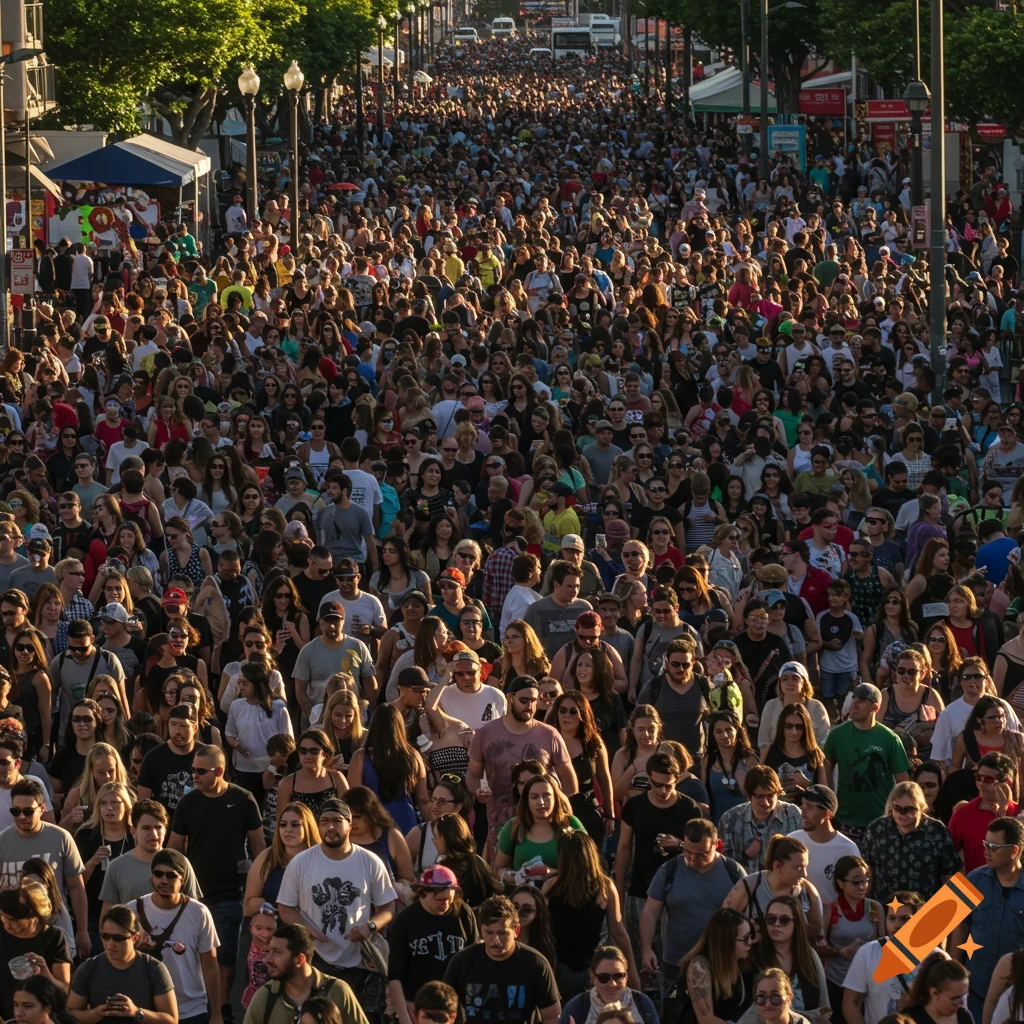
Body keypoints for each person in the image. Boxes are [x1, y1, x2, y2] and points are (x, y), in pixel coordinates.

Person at [168, 744, 265, 1016]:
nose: (194, 776)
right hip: (194, 896)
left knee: (225, 959)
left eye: (200, 771)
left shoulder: (244, 799)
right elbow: (175, 850)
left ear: (219, 771)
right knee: (193, 958)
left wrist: (258, 888)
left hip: (231, 893)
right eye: (192, 770)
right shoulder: (188, 802)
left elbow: (259, 848)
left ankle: (219, 1013)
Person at [276, 799, 397, 1001]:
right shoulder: (301, 862)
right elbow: (285, 907)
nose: (330, 827)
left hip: (357, 963)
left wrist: (370, 926)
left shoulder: (370, 861)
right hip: (314, 960)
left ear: (349, 825)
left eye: (336, 821)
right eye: (324, 821)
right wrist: (308, 931)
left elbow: (388, 907)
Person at [466, 675, 577, 847]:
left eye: (534, 700)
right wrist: (479, 792)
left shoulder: (549, 734)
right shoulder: (485, 734)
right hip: (500, 824)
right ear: (510, 698)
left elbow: (570, 783)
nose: (530, 706)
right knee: (501, 872)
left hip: (541, 825)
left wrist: (555, 808)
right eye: (524, 700)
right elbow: (473, 776)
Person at [640, 817, 746, 985]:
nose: (692, 859)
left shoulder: (733, 872)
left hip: (722, 962)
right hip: (677, 964)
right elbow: (650, 913)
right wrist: (646, 949)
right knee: (677, 1008)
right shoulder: (669, 871)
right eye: (687, 852)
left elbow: (746, 915)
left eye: (701, 854)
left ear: (716, 844)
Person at [614, 751, 703, 949]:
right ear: (649, 778)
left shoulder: (689, 808)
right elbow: (624, 846)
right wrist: (619, 887)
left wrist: (680, 845)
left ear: (677, 779)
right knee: (640, 947)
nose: (663, 791)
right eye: (657, 785)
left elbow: (703, 852)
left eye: (669, 786)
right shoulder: (635, 806)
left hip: (679, 889)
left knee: (676, 947)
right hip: (641, 887)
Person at [127, 848, 222, 1024]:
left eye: (171, 875)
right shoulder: (132, 910)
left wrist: (216, 1013)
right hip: (147, 1010)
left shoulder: (199, 912)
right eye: (158, 874)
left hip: (191, 1009)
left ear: (182, 880)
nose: (164, 880)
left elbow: (210, 964)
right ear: (151, 877)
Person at [0, 777, 90, 954]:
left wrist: (82, 931)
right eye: (15, 811)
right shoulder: (2, 841)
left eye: (28, 811)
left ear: (42, 809)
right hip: (12, 934)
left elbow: (76, 888)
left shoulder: (61, 838)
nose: (21, 817)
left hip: (54, 933)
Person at [442, 895, 561, 1024]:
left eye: (502, 933)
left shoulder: (535, 963)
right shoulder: (462, 961)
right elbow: (443, 1010)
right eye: (489, 932)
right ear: (481, 930)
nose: (496, 941)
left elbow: (552, 1017)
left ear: (516, 930)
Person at [952, 816, 1024, 1021]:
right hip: (975, 990)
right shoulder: (974, 879)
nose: (986, 851)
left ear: (1014, 850)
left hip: (1015, 994)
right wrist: (956, 974)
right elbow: (960, 928)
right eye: (985, 844)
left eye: (993, 846)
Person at [386, 865, 479, 1024]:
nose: (445, 904)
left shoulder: (463, 913)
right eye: (439, 899)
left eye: (449, 899)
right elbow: (394, 976)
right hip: (419, 1007)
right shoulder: (404, 922)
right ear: (423, 893)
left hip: (455, 1007)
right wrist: (403, 1016)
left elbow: (475, 961)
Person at [823, 683, 911, 845]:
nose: (854, 704)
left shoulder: (889, 739)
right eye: (854, 698)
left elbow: (904, 783)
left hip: (881, 821)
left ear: (875, 708)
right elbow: (825, 769)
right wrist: (830, 804)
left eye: (862, 700)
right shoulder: (837, 735)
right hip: (844, 820)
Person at [66, 904, 176, 1024]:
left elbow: (171, 1020)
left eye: (118, 938)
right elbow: (70, 1015)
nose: (110, 943)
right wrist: (95, 1014)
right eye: (105, 936)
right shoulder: (88, 969)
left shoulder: (153, 969)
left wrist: (136, 1013)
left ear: (134, 938)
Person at [241, 923, 369, 1024]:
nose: (267, 959)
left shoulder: (338, 991)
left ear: (299, 960)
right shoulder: (265, 997)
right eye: (269, 951)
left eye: (277, 952)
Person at [841, 890, 936, 1024]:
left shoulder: (936, 957)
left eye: (905, 919)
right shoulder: (868, 953)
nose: (896, 925)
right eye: (891, 918)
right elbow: (851, 1004)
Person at [861, 781, 961, 907]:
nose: (902, 814)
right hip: (885, 912)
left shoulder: (937, 831)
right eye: (897, 808)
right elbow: (867, 874)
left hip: (925, 912)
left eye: (909, 809)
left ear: (921, 807)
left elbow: (948, 874)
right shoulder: (876, 830)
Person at [99, 799, 201, 915]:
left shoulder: (181, 863)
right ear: (133, 831)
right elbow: (108, 915)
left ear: (165, 830)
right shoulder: (117, 867)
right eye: (146, 828)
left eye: (158, 827)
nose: (153, 834)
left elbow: (194, 910)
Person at [723, 833, 824, 939]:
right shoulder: (749, 886)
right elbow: (724, 926)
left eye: (805, 867)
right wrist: (749, 930)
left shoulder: (807, 891)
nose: (804, 874)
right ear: (778, 866)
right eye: (798, 868)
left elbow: (817, 931)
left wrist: (791, 926)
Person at [293, 601, 376, 723]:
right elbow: (300, 690)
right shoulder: (308, 651)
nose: (332, 626)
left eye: (336, 621)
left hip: (352, 715)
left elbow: (370, 683)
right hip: (321, 713)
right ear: (320, 622)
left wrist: (371, 713)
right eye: (327, 621)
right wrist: (314, 718)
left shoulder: (358, 646)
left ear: (343, 621)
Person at [0, 880, 72, 1016]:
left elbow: (64, 991)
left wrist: (46, 975)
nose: (7, 925)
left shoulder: (53, 937)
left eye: (13, 921)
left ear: (33, 916)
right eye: (3, 918)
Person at [677, 907, 755, 1024]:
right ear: (726, 941)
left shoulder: (743, 964)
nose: (750, 942)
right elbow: (706, 1020)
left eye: (751, 936)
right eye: (745, 938)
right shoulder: (699, 967)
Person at [719, 766, 804, 873]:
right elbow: (722, 863)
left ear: (778, 793)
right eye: (759, 796)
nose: (765, 803)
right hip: (744, 886)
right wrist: (745, 856)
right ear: (749, 796)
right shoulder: (730, 819)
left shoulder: (793, 814)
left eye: (770, 795)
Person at [787, 785, 860, 908]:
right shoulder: (792, 841)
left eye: (809, 807)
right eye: (803, 805)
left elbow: (856, 894)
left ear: (827, 814)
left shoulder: (848, 849)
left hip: (835, 922)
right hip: (798, 919)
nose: (803, 813)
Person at [135, 704, 199, 812]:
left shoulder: (205, 756)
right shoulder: (153, 758)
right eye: (173, 724)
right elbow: (143, 802)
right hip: (164, 824)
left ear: (195, 728)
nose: (177, 731)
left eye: (183, 726)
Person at [521, 561, 592, 658]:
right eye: (569, 586)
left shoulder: (584, 608)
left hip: (578, 667)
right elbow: (525, 642)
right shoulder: (536, 610)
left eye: (577, 586)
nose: (574, 591)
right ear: (556, 585)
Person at [901, 954, 972, 1024]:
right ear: (934, 993)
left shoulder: (963, 1016)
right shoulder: (908, 1019)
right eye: (955, 998)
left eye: (964, 996)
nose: (962, 1003)